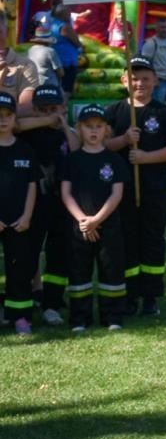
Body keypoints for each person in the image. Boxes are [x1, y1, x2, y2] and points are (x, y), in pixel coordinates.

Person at [106, 57, 166, 319]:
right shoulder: (114, 111)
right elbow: (101, 145)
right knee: (127, 240)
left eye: (145, 78)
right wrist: (124, 140)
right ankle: (130, 294)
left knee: (152, 240)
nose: (139, 83)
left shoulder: (164, 112)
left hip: (153, 188)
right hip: (121, 190)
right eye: (134, 77)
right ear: (123, 81)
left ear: (156, 81)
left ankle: (151, 296)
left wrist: (144, 157)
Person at [59, 104, 128, 332]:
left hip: (108, 225)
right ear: (79, 129)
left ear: (107, 130)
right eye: (88, 126)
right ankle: (80, 318)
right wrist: (83, 220)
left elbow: (117, 193)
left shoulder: (114, 159)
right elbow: (66, 193)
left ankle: (113, 316)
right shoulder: (72, 160)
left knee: (111, 270)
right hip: (79, 227)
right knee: (79, 271)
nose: (94, 131)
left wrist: (97, 219)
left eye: (99, 126)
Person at [18, 83, 74, 326]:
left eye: (55, 107)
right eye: (43, 109)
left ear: (64, 107)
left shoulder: (66, 131)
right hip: (33, 203)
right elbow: (18, 124)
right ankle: (24, 303)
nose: (50, 113)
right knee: (28, 255)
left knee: (58, 255)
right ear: (35, 110)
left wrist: (60, 121)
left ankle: (52, 303)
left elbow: (77, 147)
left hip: (61, 203)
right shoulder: (27, 132)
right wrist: (45, 119)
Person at [0, 91, 41, 334]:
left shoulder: (25, 149)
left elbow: (32, 185)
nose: (3, 120)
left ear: (15, 119)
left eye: (7, 115)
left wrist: (26, 216)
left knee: (20, 270)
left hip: (19, 222)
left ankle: (20, 316)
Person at [139, 17, 166, 111]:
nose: (165, 30)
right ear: (156, 28)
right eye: (162, 27)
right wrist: (153, 80)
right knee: (156, 111)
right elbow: (144, 64)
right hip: (159, 84)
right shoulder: (151, 43)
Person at [48, 4, 83, 96]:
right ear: (62, 14)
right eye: (68, 13)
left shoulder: (53, 25)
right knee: (66, 89)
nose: (70, 15)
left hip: (58, 61)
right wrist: (81, 47)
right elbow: (76, 41)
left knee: (59, 87)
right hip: (67, 62)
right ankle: (63, 108)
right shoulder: (64, 27)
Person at [26, 16, 63, 91]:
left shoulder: (30, 50)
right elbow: (60, 72)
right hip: (49, 86)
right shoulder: (50, 51)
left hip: (34, 84)